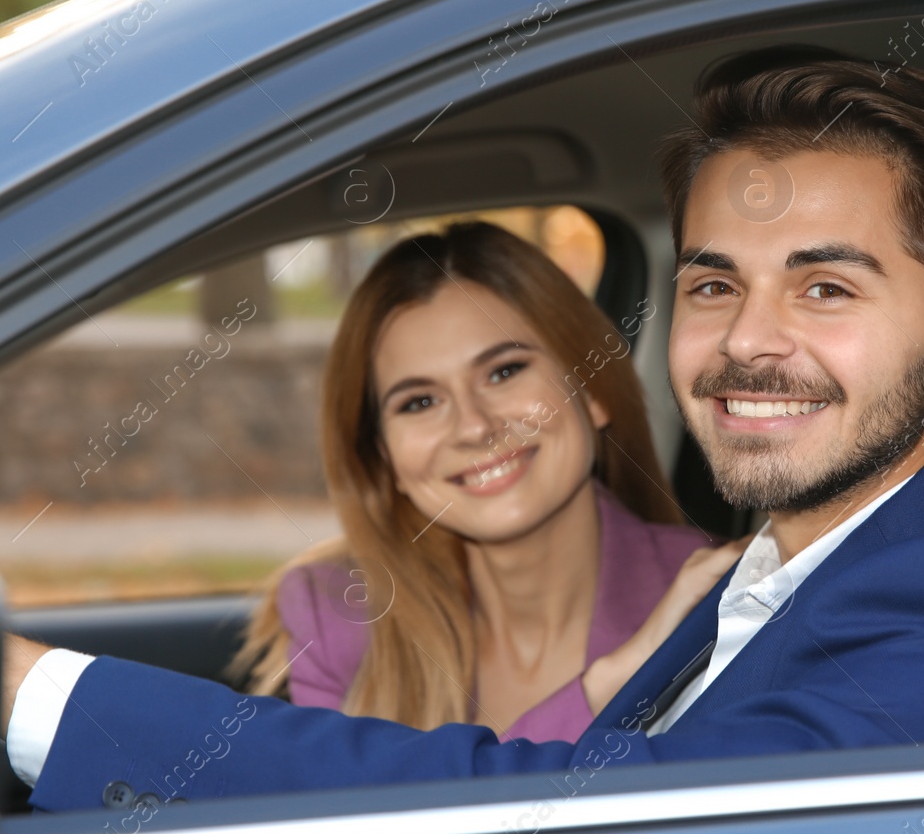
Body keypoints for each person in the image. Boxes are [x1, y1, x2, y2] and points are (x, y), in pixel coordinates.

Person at [2, 47, 924, 812]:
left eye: (825, 288)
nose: (749, 341)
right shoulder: (770, 571)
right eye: (711, 285)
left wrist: (34, 693)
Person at [225, 222, 729, 743]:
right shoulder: (341, 622)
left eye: (504, 371)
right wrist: (613, 685)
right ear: (385, 461)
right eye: (419, 402)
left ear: (592, 390)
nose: (473, 426)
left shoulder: (722, 600)